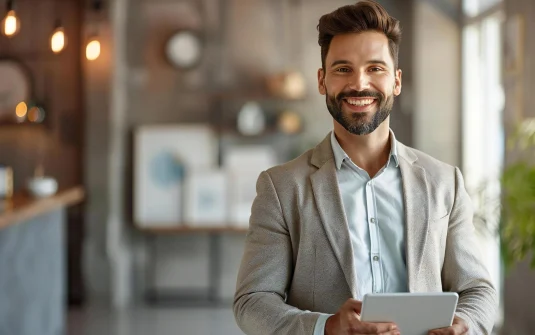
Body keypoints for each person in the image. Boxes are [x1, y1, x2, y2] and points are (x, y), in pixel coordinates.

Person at [233, 1, 498, 334]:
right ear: (322, 80)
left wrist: (466, 325)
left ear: (396, 81)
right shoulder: (281, 187)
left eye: (375, 68)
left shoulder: (446, 182)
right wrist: (326, 327)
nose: (359, 83)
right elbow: (253, 301)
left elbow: (478, 290)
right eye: (343, 69)